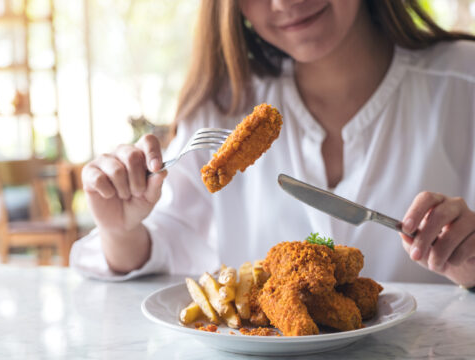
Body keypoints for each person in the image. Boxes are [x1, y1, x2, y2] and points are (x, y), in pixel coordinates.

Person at [71, 0, 475, 290]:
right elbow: (168, 245)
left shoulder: (464, 80)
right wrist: (120, 231)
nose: (286, 3)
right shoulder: (221, 107)